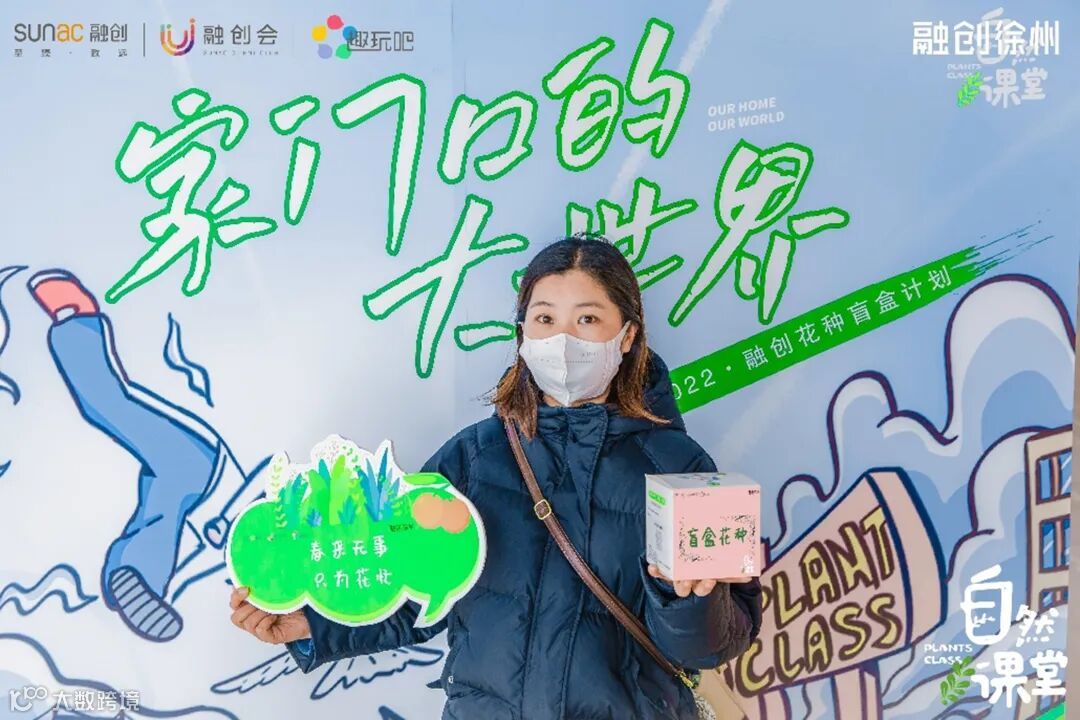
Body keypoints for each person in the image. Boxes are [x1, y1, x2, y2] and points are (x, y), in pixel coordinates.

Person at [229, 235, 763, 719]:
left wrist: (691, 599)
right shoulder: (473, 458)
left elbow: (716, 645)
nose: (562, 340)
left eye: (587, 319)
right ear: (523, 333)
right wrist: (312, 623)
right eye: (545, 319)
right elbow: (414, 590)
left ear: (627, 335)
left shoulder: (680, 466)